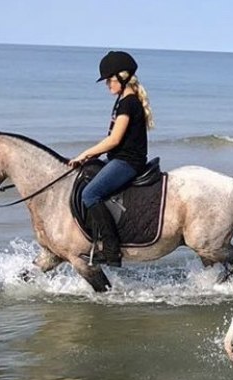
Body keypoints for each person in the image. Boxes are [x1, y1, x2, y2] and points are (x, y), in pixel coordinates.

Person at [69, 50, 155, 267]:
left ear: (122, 78)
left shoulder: (128, 103)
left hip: (128, 162)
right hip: (119, 158)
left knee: (90, 194)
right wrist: (91, 157)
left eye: (109, 80)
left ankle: (111, 248)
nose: (108, 84)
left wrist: (85, 154)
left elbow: (114, 139)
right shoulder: (122, 100)